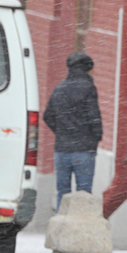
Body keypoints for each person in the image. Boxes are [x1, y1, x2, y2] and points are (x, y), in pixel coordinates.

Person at [43, 51, 102, 210]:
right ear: (87, 69)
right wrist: (95, 138)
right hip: (83, 150)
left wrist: (62, 132)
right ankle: (79, 230)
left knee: (63, 193)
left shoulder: (59, 88)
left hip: (62, 150)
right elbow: (94, 117)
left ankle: (61, 230)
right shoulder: (88, 88)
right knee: (84, 195)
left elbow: (47, 116)